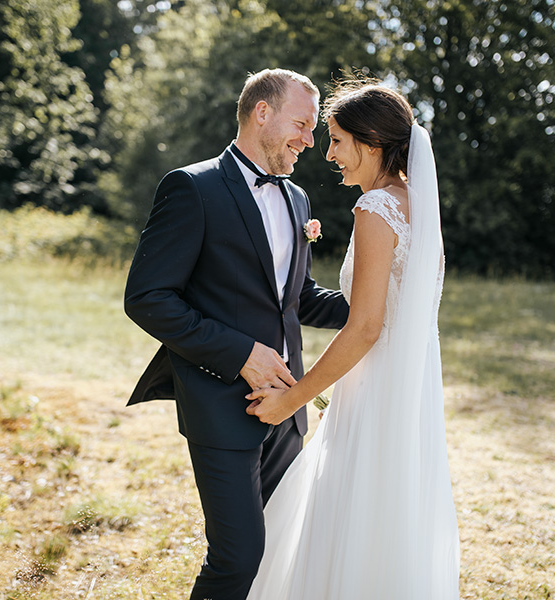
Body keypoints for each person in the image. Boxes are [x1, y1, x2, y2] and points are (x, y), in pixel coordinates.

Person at [123, 68, 350, 600]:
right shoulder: (192, 187)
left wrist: (375, 311)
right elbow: (148, 298)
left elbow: (295, 299)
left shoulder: (298, 201)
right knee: (237, 557)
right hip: (219, 403)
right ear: (262, 113)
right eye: (301, 124)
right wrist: (241, 353)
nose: (310, 141)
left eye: (314, 130)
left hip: (286, 405)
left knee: (277, 550)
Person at [244, 79, 460, 599]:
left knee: (353, 506)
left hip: (376, 387)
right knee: (387, 511)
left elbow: (365, 327)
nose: (329, 152)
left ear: (371, 143)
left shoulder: (376, 209)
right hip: (409, 385)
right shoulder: (417, 205)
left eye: (338, 139)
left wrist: (291, 399)